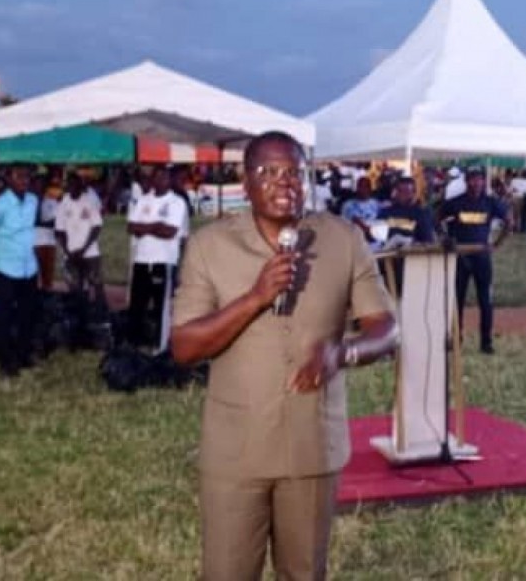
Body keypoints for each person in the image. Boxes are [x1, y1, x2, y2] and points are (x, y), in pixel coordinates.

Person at [171, 131, 398, 581]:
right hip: (236, 450)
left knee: (305, 573)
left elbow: (387, 327)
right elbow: (183, 347)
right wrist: (255, 297)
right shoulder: (210, 246)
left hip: (311, 445)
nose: (284, 182)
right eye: (269, 172)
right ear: (246, 182)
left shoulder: (341, 239)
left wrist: (343, 352)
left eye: (294, 172)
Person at [0, 165, 40, 377]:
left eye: (27, 176)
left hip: (28, 267)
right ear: (8, 178)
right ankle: (5, 360)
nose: (24, 180)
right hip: (4, 267)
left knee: (28, 313)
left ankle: (23, 354)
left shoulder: (33, 201)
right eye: (19, 176)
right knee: (2, 315)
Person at [440, 166, 508, 354]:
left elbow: (510, 220)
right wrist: (445, 238)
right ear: (466, 181)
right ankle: (455, 338)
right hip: (461, 256)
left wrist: (496, 243)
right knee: (457, 299)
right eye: (472, 179)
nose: (476, 183)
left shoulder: (490, 202)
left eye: (479, 179)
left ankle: (486, 342)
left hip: (482, 257)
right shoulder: (455, 203)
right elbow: (436, 219)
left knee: (485, 301)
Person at [128, 165, 189, 350]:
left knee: (160, 307)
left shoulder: (176, 202)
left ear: (169, 180)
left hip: (163, 261)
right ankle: (134, 343)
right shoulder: (143, 200)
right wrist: (155, 226)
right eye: (157, 177)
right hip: (141, 260)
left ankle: (160, 346)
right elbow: (131, 227)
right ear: (152, 179)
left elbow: (169, 232)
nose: (160, 180)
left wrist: (145, 227)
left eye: (164, 177)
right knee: (137, 305)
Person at [55, 173, 106, 312]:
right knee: (75, 289)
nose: (72, 188)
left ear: (81, 186)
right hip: (70, 254)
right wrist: (68, 252)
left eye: (75, 185)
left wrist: (83, 250)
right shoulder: (63, 203)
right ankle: (79, 319)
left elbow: (97, 226)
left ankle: (101, 319)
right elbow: (60, 231)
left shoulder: (89, 201)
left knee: (97, 286)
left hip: (90, 254)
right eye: (69, 185)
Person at [32, 174, 60, 291]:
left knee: (47, 277)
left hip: (49, 242)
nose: (40, 187)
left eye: (42, 184)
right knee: (32, 277)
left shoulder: (52, 201)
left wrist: (37, 222)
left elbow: (56, 222)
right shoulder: (28, 202)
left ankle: (46, 300)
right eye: (37, 184)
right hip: (33, 242)